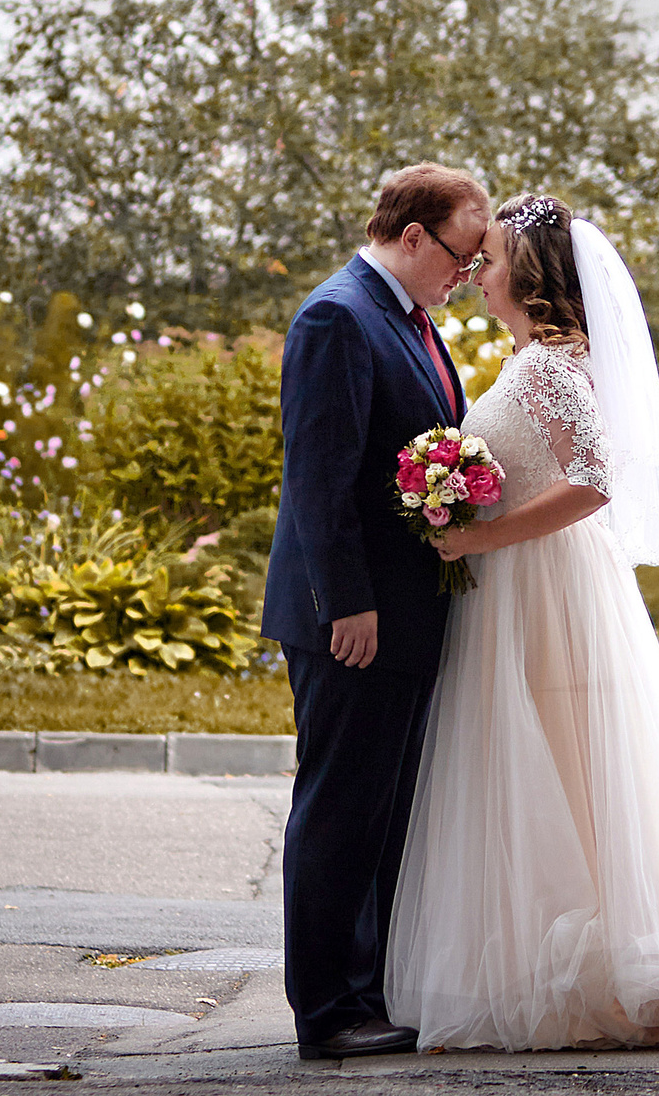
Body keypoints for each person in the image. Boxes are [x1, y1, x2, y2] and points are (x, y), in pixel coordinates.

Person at [384, 192, 659, 1050]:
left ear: (525, 277)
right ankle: (596, 967)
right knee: (559, 779)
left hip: (547, 594)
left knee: (576, 779)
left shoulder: (543, 368)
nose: (477, 272)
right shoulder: (538, 359)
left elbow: (596, 479)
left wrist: (482, 532)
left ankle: (655, 985)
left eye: (488, 259)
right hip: (529, 588)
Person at [262, 162, 491, 1061]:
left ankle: (368, 991)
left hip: (403, 614)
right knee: (340, 808)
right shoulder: (337, 315)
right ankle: (325, 1010)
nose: (468, 274)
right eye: (463, 256)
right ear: (411, 237)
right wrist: (346, 604)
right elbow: (317, 479)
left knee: (385, 811)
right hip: (351, 620)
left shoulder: (408, 319)